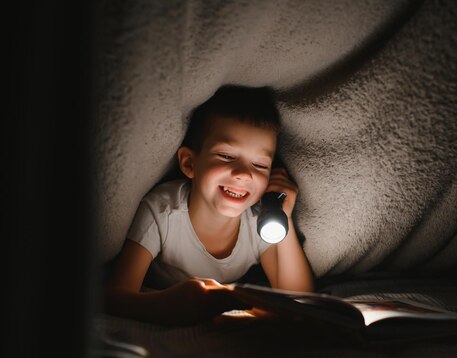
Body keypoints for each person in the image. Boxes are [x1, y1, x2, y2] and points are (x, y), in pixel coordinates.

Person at [103, 85, 315, 325]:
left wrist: (282, 215)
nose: (244, 174)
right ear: (189, 163)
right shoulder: (162, 211)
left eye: (260, 165)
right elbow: (115, 296)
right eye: (226, 156)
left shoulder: (260, 221)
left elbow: (300, 297)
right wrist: (174, 304)